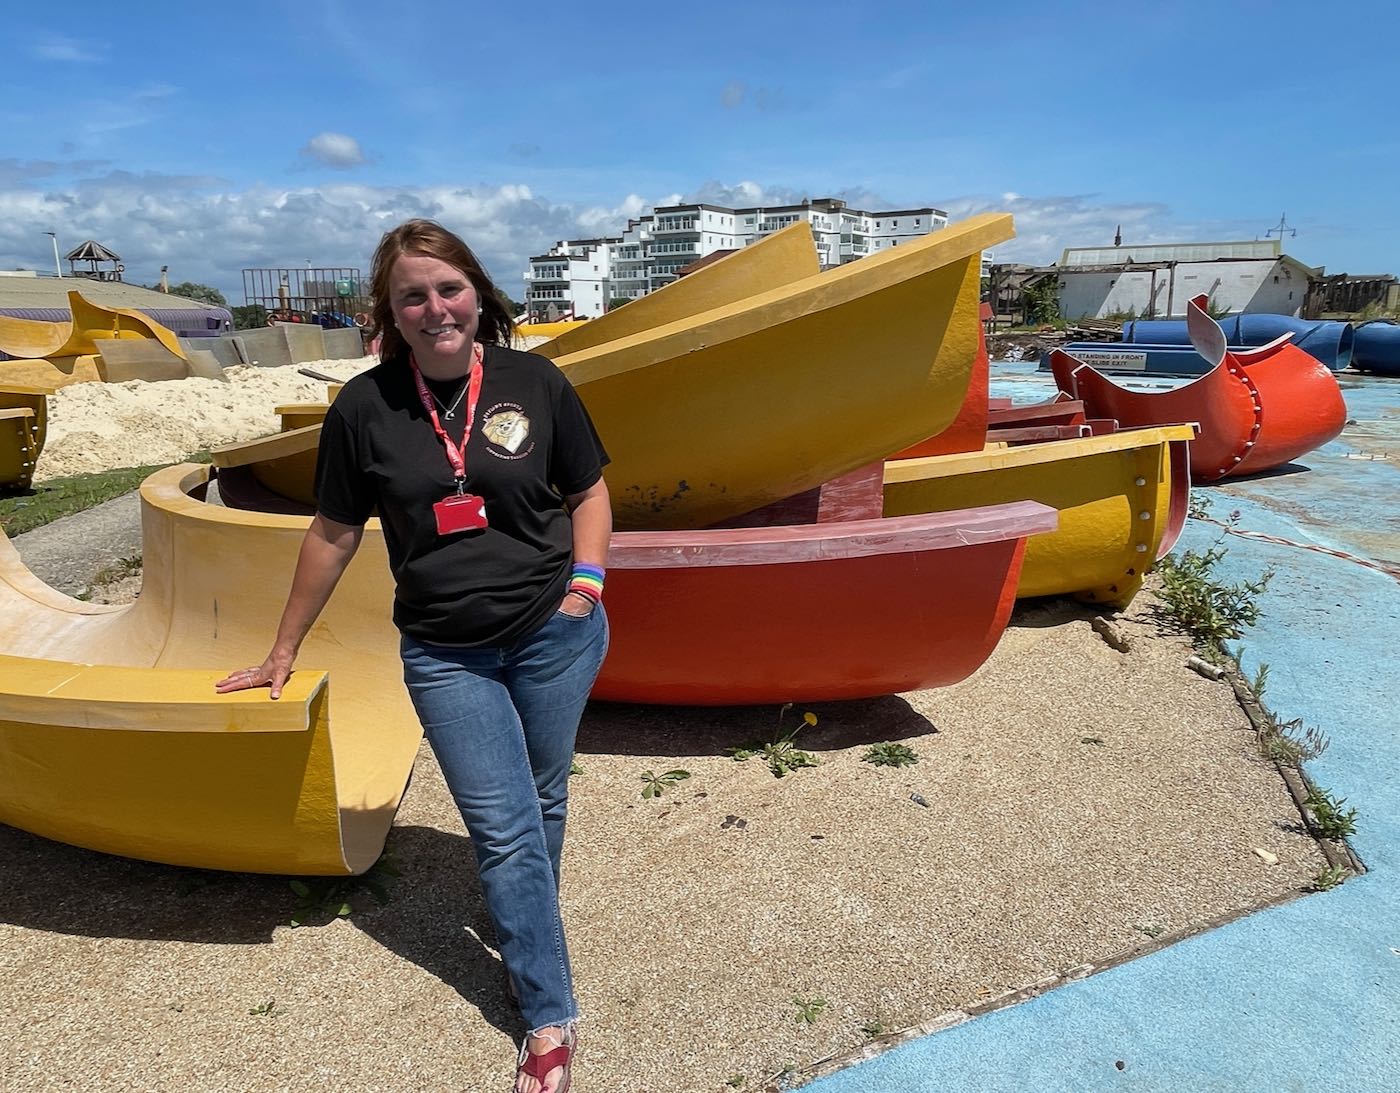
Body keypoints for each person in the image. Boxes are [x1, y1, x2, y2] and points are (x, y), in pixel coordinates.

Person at [217, 218, 611, 1093]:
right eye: (412, 296)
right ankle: (548, 1013)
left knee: (543, 797)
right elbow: (332, 531)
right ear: (390, 313)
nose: (435, 308)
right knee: (504, 825)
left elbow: (587, 488)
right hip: (445, 652)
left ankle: (520, 919)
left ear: (477, 292)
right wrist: (282, 646)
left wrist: (587, 584)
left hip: (556, 629)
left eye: (449, 288)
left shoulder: (535, 382)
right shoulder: (364, 407)